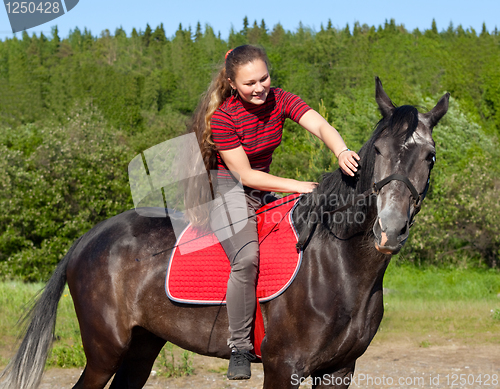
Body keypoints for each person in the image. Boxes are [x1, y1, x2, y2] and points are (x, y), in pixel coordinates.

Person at [187, 44, 360, 380]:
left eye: (264, 78)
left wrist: (341, 151)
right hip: (230, 190)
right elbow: (244, 175)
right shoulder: (223, 118)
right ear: (232, 84)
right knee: (247, 257)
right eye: (250, 83)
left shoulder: (280, 99)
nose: (260, 87)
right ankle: (238, 346)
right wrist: (298, 186)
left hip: (264, 187)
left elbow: (321, 126)